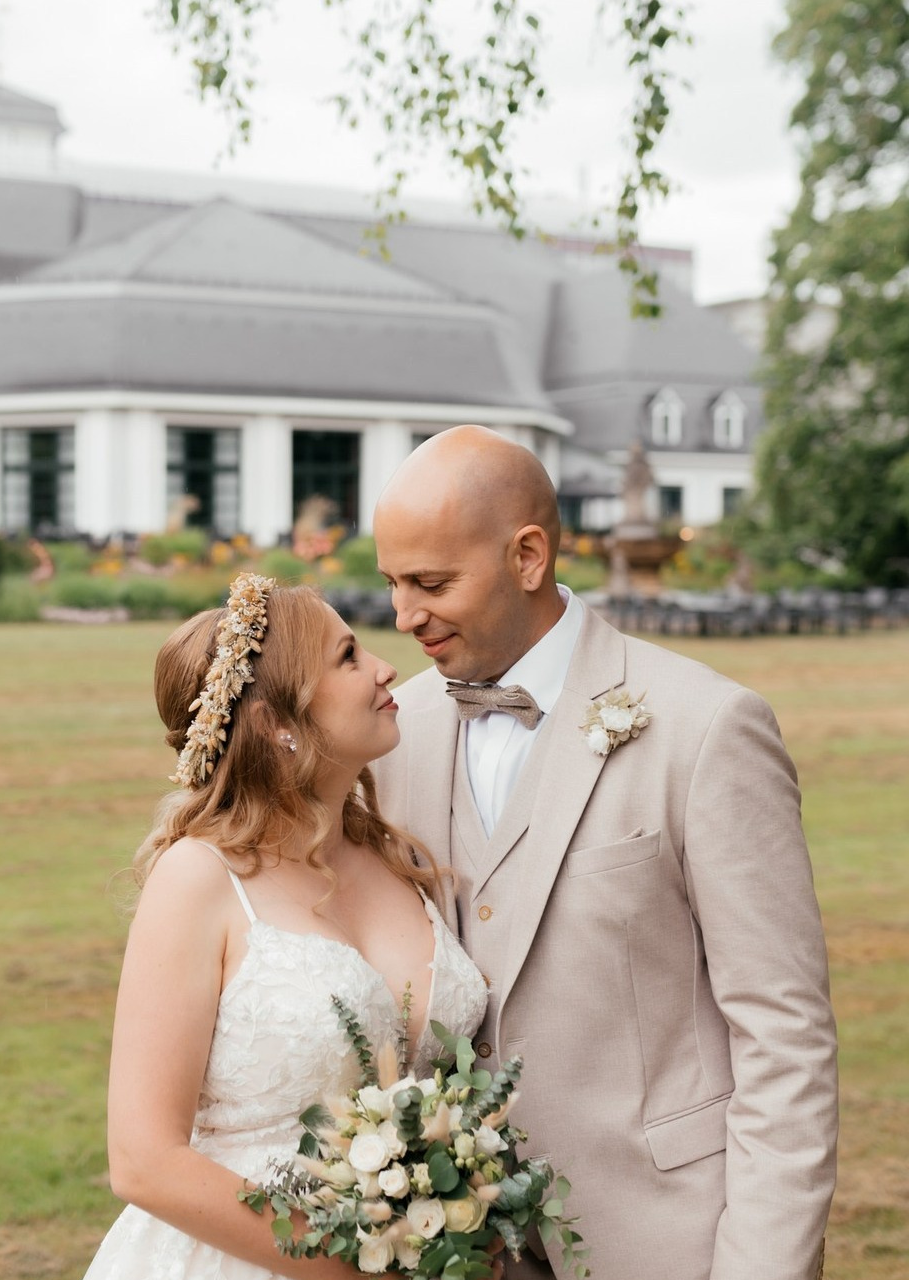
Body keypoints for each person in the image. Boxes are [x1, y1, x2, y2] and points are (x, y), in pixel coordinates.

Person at [369, 426, 839, 1280]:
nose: (404, 616)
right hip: (462, 1253)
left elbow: (784, 1034)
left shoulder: (707, 727)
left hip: (672, 1245)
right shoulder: (394, 733)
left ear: (529, 555)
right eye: (393, 584)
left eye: (431, 583)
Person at [84, 573, 490, 1280]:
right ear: (277, 720)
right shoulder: (201, 880)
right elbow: (144, 1162)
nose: (387, 667)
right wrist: (362, 1268)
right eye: (349, 657)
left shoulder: (397, 856)